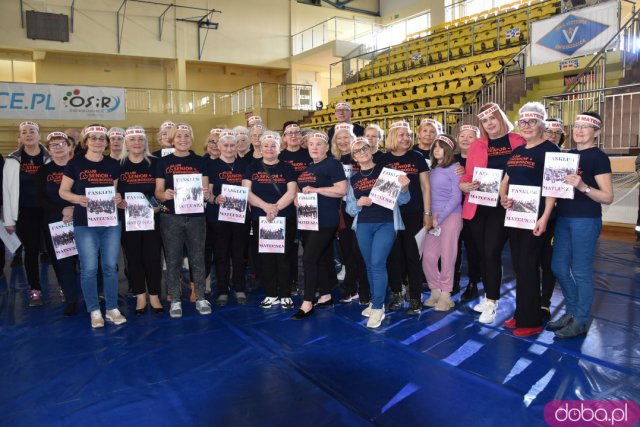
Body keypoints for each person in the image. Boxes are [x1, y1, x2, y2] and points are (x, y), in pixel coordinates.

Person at [459, 103, 525, 324]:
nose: (490, 124)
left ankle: (492, 301)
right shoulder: (478, 145)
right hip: (478, 206)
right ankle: (489, 296)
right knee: (482, 253)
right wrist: (463, 186)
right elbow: (468, 175)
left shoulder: (517, 141)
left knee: (491, 253)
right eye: (485, 121)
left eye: (493, 119)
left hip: (503, 206)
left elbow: (525, 172)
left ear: (501, 118)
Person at [549, 112, 613, 338]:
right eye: (577, 126)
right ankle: (572, 312)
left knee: (581, 271)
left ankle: (581, 319)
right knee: (558, 267)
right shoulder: (567, 155)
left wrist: (583, 185)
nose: (579, 130)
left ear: (596, 132)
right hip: (564, 218)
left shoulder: (599, 157)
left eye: (585, 127)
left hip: (586, 220)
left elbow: (607, 197)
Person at [499, 103, 559, 337]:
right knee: (520, 267)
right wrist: (503, 197)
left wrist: (545, 217)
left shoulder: (550, 149)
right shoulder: (518, 151)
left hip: (537, 218)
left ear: (542, 125)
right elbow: (506, 179)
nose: (526, 126)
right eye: (522, 122)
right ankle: (523, 312)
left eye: (531, 122)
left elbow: (554, 187)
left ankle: (531, 320)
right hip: (517, 216)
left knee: (529, 266)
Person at [59, 125, 126, 328]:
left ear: (106, 143)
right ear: (86, 141)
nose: (98, 141)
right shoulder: (75, 163)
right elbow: (63, 191)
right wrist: (78, 198)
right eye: (93, 138)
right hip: (84, 223)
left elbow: (114, 192)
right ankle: (94, 310)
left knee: (110, 267)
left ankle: (112, 308)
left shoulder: (113, 164)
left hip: (110, 222)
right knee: (88, 268)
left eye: (101, 138)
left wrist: (117, 197)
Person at [346, 137, 410, 328]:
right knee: (368, 265)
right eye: (357, 151)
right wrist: (358, 203)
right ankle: (377, 302)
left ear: (371, 149)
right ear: (353, 157)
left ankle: (377, 306)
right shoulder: (353, 179)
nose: (362, 152)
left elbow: (404, 200)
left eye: (364, 148)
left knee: (377, 263)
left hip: (386, 223)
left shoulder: (387, 173)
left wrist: (405, 186)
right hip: (363, 225)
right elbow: (349, 208)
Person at [155, 124, 212, 318]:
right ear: (172, 139)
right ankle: (175, 299)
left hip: (196, 216)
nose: (182, 139)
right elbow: (158, 192)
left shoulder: (200, 161)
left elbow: (206, 191)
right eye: (178, 136)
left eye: (186, 136)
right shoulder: (163, 162)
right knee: (173, 259)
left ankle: (201, 297)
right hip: (170, 216)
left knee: (198, 257)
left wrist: (205, 193)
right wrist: (165, 195)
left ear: (192, 138)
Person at [292, 131, 347, 319]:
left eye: (319, 144)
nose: (314, 147)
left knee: (308, 259)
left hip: (325, 220)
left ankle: (307, 302)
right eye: (311, 144)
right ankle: (325, 295)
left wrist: (316, 190)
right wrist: (298, 199)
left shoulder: (332, 164)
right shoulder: (309, 167)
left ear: (326, 147)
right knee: (322, 257)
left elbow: (342, 190)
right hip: (309, 219)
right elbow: (304, 190)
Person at [381, 121, 432, 315]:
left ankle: (415, 297)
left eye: (408, 135)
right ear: (392, 136)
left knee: (412, 256)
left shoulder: (417, 157)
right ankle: (396, 292)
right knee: (393, 255)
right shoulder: (382, 160)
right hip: (390, 214)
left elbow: (426, 187)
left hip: (413, 214)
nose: (406, 138)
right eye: (401, 135)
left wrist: (427, 213)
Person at [242, 132, 297, 309]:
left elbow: (291, 192)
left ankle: (285, 294)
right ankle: (271, 293)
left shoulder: (287, 168)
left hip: (284, 217)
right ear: (260, 147)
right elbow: (247, 192)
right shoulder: (252, 167)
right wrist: (266, 207)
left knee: (284, 256)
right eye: (266, 145)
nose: (269, 149)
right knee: (266, 258)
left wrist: (275, 208)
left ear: (280, 148)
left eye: (273, 145)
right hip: (262, 219)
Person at [3, 121, 51, 306]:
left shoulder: (50, 157)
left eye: (32, 131)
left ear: (39, 135)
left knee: (56, 251)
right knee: (31, 251)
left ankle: (65, 285)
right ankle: (35, 289)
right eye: (24, 132)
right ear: (20, 137)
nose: (29, 134)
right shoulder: (12, 159)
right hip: (25, 213)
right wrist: (9, 219)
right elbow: (6, 191)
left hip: (49, 212)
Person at [117, 126, 164, 315]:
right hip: (128, 219)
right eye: (132, 139)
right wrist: (118, 202)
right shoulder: (118, 165)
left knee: (153, 258)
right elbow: (114, 192)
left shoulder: (155, 163)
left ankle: (154, 295)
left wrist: (159, 207)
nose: (137, 143)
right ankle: (140, 296)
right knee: (134, 258)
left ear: (145, 142)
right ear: (126, 143)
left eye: (140, 139)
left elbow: (162, 192)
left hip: (152, 218)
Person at [37, 131, 79, 316]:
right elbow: (41, 198)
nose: (59, 147)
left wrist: (73, 208)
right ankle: (71, 299)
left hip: (81, 218)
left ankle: (93, 294)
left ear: (70, 147)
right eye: (54, 145)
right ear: (48, 150)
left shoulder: (79, 166)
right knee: (64, 262)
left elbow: (88, 189)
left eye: (62, 143)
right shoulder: (44, 171)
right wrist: (62, 209)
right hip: (56, 222)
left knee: (87, 260)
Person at [207, 130, 250, 307]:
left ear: (237, 146)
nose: (230, 148)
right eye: (226, 145)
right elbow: (207, 193)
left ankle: (239, 287)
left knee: (239, 254)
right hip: (218, 217)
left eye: (233, 145)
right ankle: (223, 290)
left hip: (241, 216)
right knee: (221, 254)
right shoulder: (211, 166)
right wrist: (215, 199)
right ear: (219, 146)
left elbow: (251, 190)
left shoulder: (245, 165)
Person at [421, 135, 463, 312]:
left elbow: (456, 196)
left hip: (451, 215)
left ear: (448, 149)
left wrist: (441, 217)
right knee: (429, 256)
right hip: (433, 216)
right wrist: (430, 216)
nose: (436, 150)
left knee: (448, 256)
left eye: (440, 147)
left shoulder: (455, 168)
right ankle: (435, 290)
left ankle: (446, 294)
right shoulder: (431, 169)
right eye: (434, 147)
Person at [331, 124, 370, 305]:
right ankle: (350, 287)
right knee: (347, 251)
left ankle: (364, 288)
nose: (343, 141)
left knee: (360, 250)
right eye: (339, 138)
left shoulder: (360, 157)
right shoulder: (332, 160)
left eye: (346, 137)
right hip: (341, 210)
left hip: (362, 209)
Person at [279, 122, 311, 294]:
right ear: (284, 137)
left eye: (296, 133)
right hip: (287, 207)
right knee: (289, 247)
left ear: (301, 136)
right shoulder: (279, 156)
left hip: (309, 205)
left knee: (310, 245)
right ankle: (291, 281)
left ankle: (313, 282)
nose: (293, 136)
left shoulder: (310, 154)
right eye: (289, 133)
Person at [454, 125, 482, 301]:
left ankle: (473, 283)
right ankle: (453, 280)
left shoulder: (482, 159)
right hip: (453, 211)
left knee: (473, 248)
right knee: (453, 248)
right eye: (462, 136)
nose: (465, 139)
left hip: (474, 211)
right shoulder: (452, 159)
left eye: (470, 136)